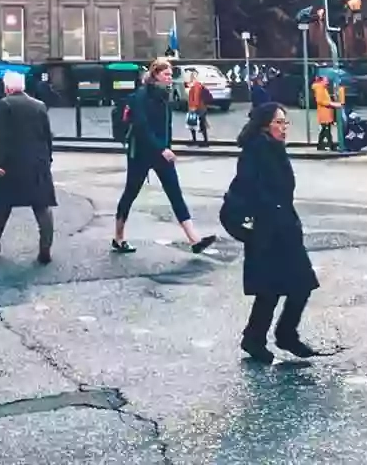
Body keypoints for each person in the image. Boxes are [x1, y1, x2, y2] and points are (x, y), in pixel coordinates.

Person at [228, 103, 321, 362]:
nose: (284, 128)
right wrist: (267, 217)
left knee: (289, 286)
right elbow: (248, 188)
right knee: (281, 287)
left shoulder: (272, 148)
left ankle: (271, 335)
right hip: (269, 232)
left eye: (285, 122)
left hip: (281, 229)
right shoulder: (256, 152)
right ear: (265, 125)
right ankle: (267, 337)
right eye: (279, 122)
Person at [111, 59, 216, 255]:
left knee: (175, 194)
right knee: (130, 193)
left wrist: (167, 147)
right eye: (166, 75)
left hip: (161, 153)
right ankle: (118, 237)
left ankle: (195, 240)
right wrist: (162, 149)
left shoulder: (164, 96)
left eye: (170, 75)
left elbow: (165, 126)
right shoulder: (142, 96)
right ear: (155, 75)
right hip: (141, 153)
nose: (169, 78)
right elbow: (142, 126)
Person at [0, 71, 56, 263]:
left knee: (2, 203)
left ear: (8, 88)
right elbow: (48, 135)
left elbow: (2, 137)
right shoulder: (40, 105)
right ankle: (45, 249)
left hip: (12, 164)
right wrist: (48, 159)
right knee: (41, 206)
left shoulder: (5, 104)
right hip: (38, 163)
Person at [311, 73, 342, 150]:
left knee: (325, 130)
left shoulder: (323, 88)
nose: (327, 82)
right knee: (326, 130)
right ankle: (330, 145)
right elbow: (320, 101)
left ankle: (320, 145)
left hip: (326, 113)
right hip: (324, 113)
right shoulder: (319, 89)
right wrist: (332, 104)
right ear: (321, 81)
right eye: (326, 81)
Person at [185, 71, 212, 146]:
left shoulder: (196, 85)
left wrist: (194, 107)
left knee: (197, 124)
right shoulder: (195, 85)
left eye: (193, 76)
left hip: (198, 107)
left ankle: (202, 141)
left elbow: (196, 97)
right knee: (198, 124)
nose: (191, 78)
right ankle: (202, 141)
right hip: (199, 107)